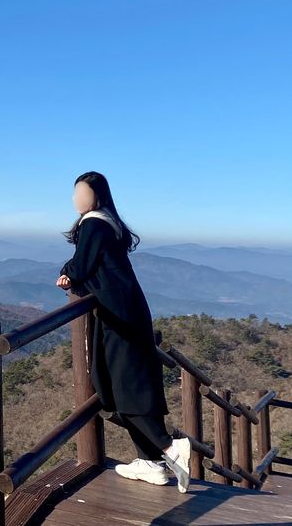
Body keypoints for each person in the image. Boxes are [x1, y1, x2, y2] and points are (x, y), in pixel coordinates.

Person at [56, 171, 191, 492]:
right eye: (74, 192)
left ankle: (170, 448)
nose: (76, 198)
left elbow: (82, 265)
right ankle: (151, 463)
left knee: (120, 387)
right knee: (131, 385)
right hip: (128, 311)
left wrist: (65, 273)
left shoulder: (94, 223)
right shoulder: (106, 223)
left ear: (96, 196)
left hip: (118, 315)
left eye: (81, 192)